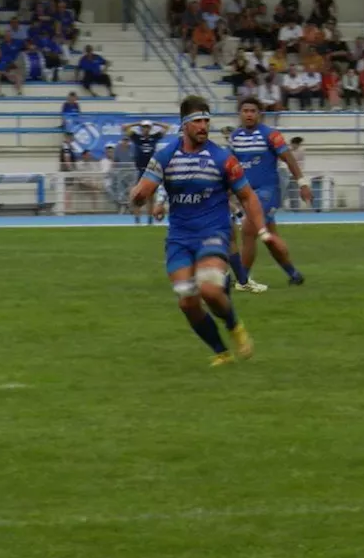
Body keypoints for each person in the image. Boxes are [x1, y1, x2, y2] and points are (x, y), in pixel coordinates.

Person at [128, 96, 260, 367]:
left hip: (213, 231)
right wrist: (139, 197)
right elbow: (142, 192)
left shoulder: (222, 158)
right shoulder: (165, 156)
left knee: (210, 289)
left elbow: (247, 195)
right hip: (179, 237)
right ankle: (221, 353)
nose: (203, 126)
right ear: (184, 124)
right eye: (197, 121)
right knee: (187, 301)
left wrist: (258, 228)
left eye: (206, 121)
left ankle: (235, 326)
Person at [228, 97, 310, 292]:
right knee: (270, 236)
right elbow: (231, 166)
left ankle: (243, 279)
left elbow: (288, 158)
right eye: (245, 110)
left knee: (248, 229)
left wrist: (302, 183)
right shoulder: (235, 137)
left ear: (260, 114)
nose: (249, 114)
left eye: (252, 111)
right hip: (247, 194)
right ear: (240, 114)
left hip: (268, 191)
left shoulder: (271, 135)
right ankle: (294, 274)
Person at [121, 119, 173, 225]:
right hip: (140, 170)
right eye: (144, 127)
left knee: (150, 197)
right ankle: (137, 221)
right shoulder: (137, 138)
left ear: (150, 129)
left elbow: (167, 127)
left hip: (151, 171)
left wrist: (155, 123)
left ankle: (150, 221)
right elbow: (124, 127)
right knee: (137, 195)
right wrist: (137, 123)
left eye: (147, 127)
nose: (145, 129)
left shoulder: (154, 138)